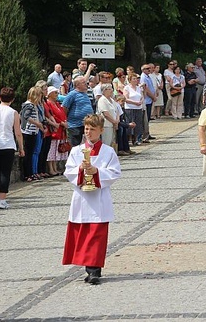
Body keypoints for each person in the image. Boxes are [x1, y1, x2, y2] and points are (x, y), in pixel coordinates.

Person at [62, 114, 122, 285]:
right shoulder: (76, 151)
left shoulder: (108, 152)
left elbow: (115, 173)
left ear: (101, 131)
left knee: (97, 235)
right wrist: (80, 170)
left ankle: (94, 270)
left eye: (92, 129)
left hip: (99, 199)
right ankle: (88, 268)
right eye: (86, 129)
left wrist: (97, 172)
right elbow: (68, 171)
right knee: (83, 234)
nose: (88, 133)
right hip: (82, 198)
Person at [0, 87, 25, 209]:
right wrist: (21, 148)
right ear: (12, 99)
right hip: (7, 144)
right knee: (5, 172)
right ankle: (2, 199)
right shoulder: (13, 112)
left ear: (0, 97)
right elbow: (18, 132)